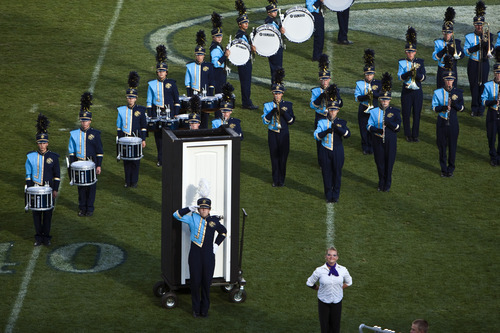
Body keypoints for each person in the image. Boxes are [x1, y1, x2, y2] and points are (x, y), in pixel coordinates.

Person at [172, 197, 227, 318]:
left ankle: (204, 310)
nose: (203, 211)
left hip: (208, 255)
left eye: (205, 209)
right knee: (195, 283)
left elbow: (223, 232)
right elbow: (176, 215)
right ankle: (196, 309)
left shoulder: (214, 221)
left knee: (206, 283)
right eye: (201, 208)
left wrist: (216, 245)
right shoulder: (192, 218)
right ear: (198, 209)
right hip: (195, 255)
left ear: (209, 210)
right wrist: (188, 209)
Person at [25, 114, 60, 246]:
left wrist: (55, 189)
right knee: (36, 215)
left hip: (48, 189)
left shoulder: (53, 157)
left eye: (44, 143)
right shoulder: (30, 156)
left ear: (47, 143)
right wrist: (29, 189)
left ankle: (47, 237)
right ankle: (38, 237)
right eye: (40, 143)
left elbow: (57, 174)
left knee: (47, 215)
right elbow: (28, 174)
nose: (42, 145)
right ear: (37, 143)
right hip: (35, 188)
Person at [68, 92, 103, 217]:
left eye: (86, 120)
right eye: (82, 120)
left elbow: (99, 152)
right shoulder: (74, 134)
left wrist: (98, 165)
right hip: (78, 163)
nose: (84, 123)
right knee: (81, 187)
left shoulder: (96, 134)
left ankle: (90, 208)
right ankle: (82, 208)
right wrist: (72, 166)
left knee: (91, 187)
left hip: (91, 164)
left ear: (90, 121)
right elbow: (71, 151)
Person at [314, 85, 350, 203]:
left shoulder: (341, 122)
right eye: (331, 110)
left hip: (338, 150)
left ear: (338, 111)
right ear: (328, 110)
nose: (333, 112)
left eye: (335, 110)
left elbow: (347, 134)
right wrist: (326, 131)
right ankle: (328, 194)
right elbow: (316, 136)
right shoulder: (322, 122)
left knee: (337, 173)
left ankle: (336, 194)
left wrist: (337, 129)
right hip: (325, 150)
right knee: (326, 173)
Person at [147, 45, 180, 166]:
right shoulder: (151, 84)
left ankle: (171, 158)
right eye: (159, 71)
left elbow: (176, 100)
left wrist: (176, 112)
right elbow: (149, 101)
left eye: (163, 71)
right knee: (159, 138)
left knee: (170, 137)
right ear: (157, 72)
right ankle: (161, 159)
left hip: (169, 113)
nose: (161, 73)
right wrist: (150, 115)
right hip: (157, 113)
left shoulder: (172, 84)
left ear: (166, 72)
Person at [367, 72, 401, 192]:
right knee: (380, 162)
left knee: (389, 162)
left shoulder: (395, 112)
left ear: (390, 100)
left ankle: (387, 183)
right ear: (380, 100)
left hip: (390, 140)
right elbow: (369, 126)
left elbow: (398, 127)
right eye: (383, 100)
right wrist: (377, 130)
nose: (384, 102)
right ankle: (381, 181)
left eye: (387, 100)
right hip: (377, 139)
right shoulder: (374, 111)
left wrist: (388, 123)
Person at [431, 56, 464, 177]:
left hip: (453, 122)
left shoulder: (458, 93)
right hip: (442, 122)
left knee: (452, 146)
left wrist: (454, 104)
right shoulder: (437, 92)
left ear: (454, 80)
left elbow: (462, 108)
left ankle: (451, 168)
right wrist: (444, 107)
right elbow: (434, 108)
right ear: (444, 80)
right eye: (447, 80)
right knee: (441, 146)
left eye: (451, 80)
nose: (449, 82)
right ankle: (443, 168)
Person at [306, 247, 352, 333]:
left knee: (335, 326)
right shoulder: (319, 270)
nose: (332, 257)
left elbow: (349, 282)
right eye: (329, 255)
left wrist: (339, 288)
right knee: (324, 327)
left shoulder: (343, 270)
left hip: (337, 301)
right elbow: (309, 283)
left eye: (334, 255)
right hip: (323, 301)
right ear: (325, 257)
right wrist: (319, 289)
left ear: (337, 257)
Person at [262, 68, 295, 187]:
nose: (277, 96)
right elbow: (265, 121)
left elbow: (291, 121)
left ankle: (282, 178)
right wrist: (272, 111)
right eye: (275, 93)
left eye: (279, 93)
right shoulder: (267, 105)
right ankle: (275, 180)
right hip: (272, 133)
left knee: (283, 157)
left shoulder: (288, 105)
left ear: (282, 94)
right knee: (274, 157)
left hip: (284, 133)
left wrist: (283, 112)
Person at [311, 54, 343, 166]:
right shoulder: (315, 91)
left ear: (329, 79)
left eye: (326, 79)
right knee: (320, 139)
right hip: (320, 117)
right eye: (322, 79)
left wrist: (333, 96)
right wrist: (322, 95)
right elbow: (313, 105)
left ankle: (332, 159)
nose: (325, 82)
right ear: (320, 80)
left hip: (332, 116)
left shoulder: (334, 90)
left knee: (333, 139)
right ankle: (321, 162)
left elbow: (341, 103)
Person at [117, 71, 147, 188]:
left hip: (136, 139)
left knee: (135, 161)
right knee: (126, 161)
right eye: (129, 98)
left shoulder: (141, 110)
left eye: (132, 98)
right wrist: (119, 139)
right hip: (124, 139)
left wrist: (143, 139)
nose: (130, 100)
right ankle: (127, 180)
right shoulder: (121, 110)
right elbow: (119, 126)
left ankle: (134, 181)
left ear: (136, 98)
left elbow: (144, 126)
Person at [464, 1, 493, 117]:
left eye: (480, 25)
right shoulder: (469, 37)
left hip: (484, 62)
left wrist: (486, 44)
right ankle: (474, 107)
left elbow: (492, 50)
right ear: (474, 25)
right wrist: (477, 46)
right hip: (473, 63)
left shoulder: (488, 35)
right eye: (477, 25)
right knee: (474, 86)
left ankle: (481, 109)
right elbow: (466, 52)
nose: (479, 27)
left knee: (483, 85)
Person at [398, 26, 426, 143]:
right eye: (408, 52)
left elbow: (423, 77)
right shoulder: (402, 62)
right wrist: (409, 72)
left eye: (412, 52)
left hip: (417, 91)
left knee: (416, 113)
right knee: (406, 113)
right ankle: (407, 134)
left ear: (415, 52)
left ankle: (415, 135)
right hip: (406, 90)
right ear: (406, 52)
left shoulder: (420, 62)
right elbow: (400, 77)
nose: (410, 54)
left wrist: (416, 74)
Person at [185, 30, 215, 129]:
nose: (199, 57)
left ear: (204, 55)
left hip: (205, 94)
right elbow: (187, 83)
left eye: (201, 55)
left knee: (205, 115)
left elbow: (211, 81)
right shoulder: (190, 66)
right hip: (194, 94)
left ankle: (204, 130)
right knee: (195, 115)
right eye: (197, 55)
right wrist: (189, 95)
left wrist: (210, 96)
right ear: (195, 55)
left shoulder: (209, 66)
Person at [354, 49, 381, 155]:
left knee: (373, 128)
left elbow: (381, 95)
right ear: (364, 74)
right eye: (367, 74)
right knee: (363, 128)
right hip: (363, 107)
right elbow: (357, 98)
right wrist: (366, 96)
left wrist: (373, 94)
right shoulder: (360, 84)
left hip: (374, 108)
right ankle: (365, 146)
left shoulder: (378, 83)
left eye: (370, 74)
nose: (369, 76)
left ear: (374, 74)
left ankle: (373, 146)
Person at [432, 7, 464, 89]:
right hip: (442, 69)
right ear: (442, 33)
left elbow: (462, 55)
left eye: (449, 32)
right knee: (440, 89)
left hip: (452, 69)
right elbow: (435, 57)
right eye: (445, 32)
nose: (447, 34)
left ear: (452, 33)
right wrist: (445, 49)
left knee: (453, 90)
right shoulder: (438, 42)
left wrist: (454, 50)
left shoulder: (456, 42)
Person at [235, 0, 258, 110]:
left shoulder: (242, 34)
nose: (247, 24)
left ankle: (247, 101)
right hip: (243, 62)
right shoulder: (240, 35)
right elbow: (241, 49)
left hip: (245, 61)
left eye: (247, 22)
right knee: (245, 83)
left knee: (246, 82)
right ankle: (246, 103)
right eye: (244, 23)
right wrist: (251, 49)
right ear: (240, 25)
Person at [480, 48, 500, 166]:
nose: (498, 75)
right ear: (494, 73)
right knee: (491, 136)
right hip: (492, 113)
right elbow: (483, 101)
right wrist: (493, 101)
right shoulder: (488, 85)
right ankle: (493, 156)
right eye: (497, 73)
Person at [264, 0, 285, 81]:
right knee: (276, 67)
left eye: (275, 10)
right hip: (274, 47)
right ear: (269, 13)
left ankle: (276, 82)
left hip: (275, 47)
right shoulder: (269, 22)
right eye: (273, 11)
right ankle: (276, 84)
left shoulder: (272, 20)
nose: (275, 12)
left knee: (277, 67)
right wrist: (280, 31)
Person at [210, 12, 229, 95]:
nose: (219, 38)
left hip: (220, 72)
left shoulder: (217, 45)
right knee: (219, 92)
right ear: (213, 37)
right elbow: (215, 63)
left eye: (220, 36)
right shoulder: (214, 48)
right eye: (217, 36)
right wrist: (224, 56)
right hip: (218, 72)